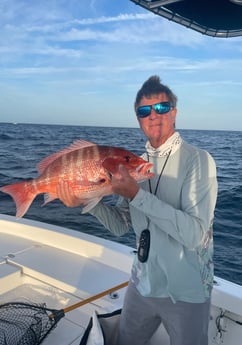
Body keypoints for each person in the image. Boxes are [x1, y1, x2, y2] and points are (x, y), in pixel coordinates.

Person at [57, 75, 218, 345]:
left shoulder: (198, 160)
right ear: (138, 120)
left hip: (187, 293)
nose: (153, 115)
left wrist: (135, 195)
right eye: (144, 111)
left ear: (174, 113)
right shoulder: (134, 165)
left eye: (162, 108)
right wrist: (86, 202)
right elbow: (121, 225)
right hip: (142, 285)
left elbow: (194, 235)